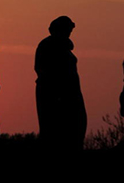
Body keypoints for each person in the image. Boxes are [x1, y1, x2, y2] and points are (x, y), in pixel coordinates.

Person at [34, 16, 87, 151]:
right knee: (54, 133)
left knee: (77, 128)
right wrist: (57, 94)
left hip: (70, 95)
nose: (69, 33)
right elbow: (42, 70)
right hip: (56, 96)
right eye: (67, 29)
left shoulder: (64, 48)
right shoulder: (47, 46)